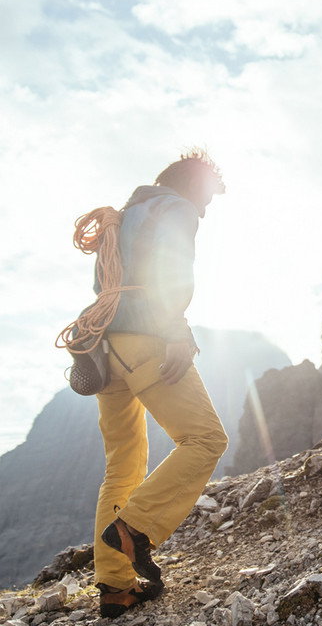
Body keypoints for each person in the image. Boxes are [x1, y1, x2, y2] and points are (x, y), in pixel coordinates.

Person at [91, 150, 229, 618]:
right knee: (206, 438)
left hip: (104, 348)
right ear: (190, 184)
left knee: (122, 465)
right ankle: (135, 528)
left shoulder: (121, 217)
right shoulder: (177, 208)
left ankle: (115, 588)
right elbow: (172, 271)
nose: (206, 209)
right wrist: (174, 330)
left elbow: (105, 285)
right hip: (147, 338)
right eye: (207, 196)